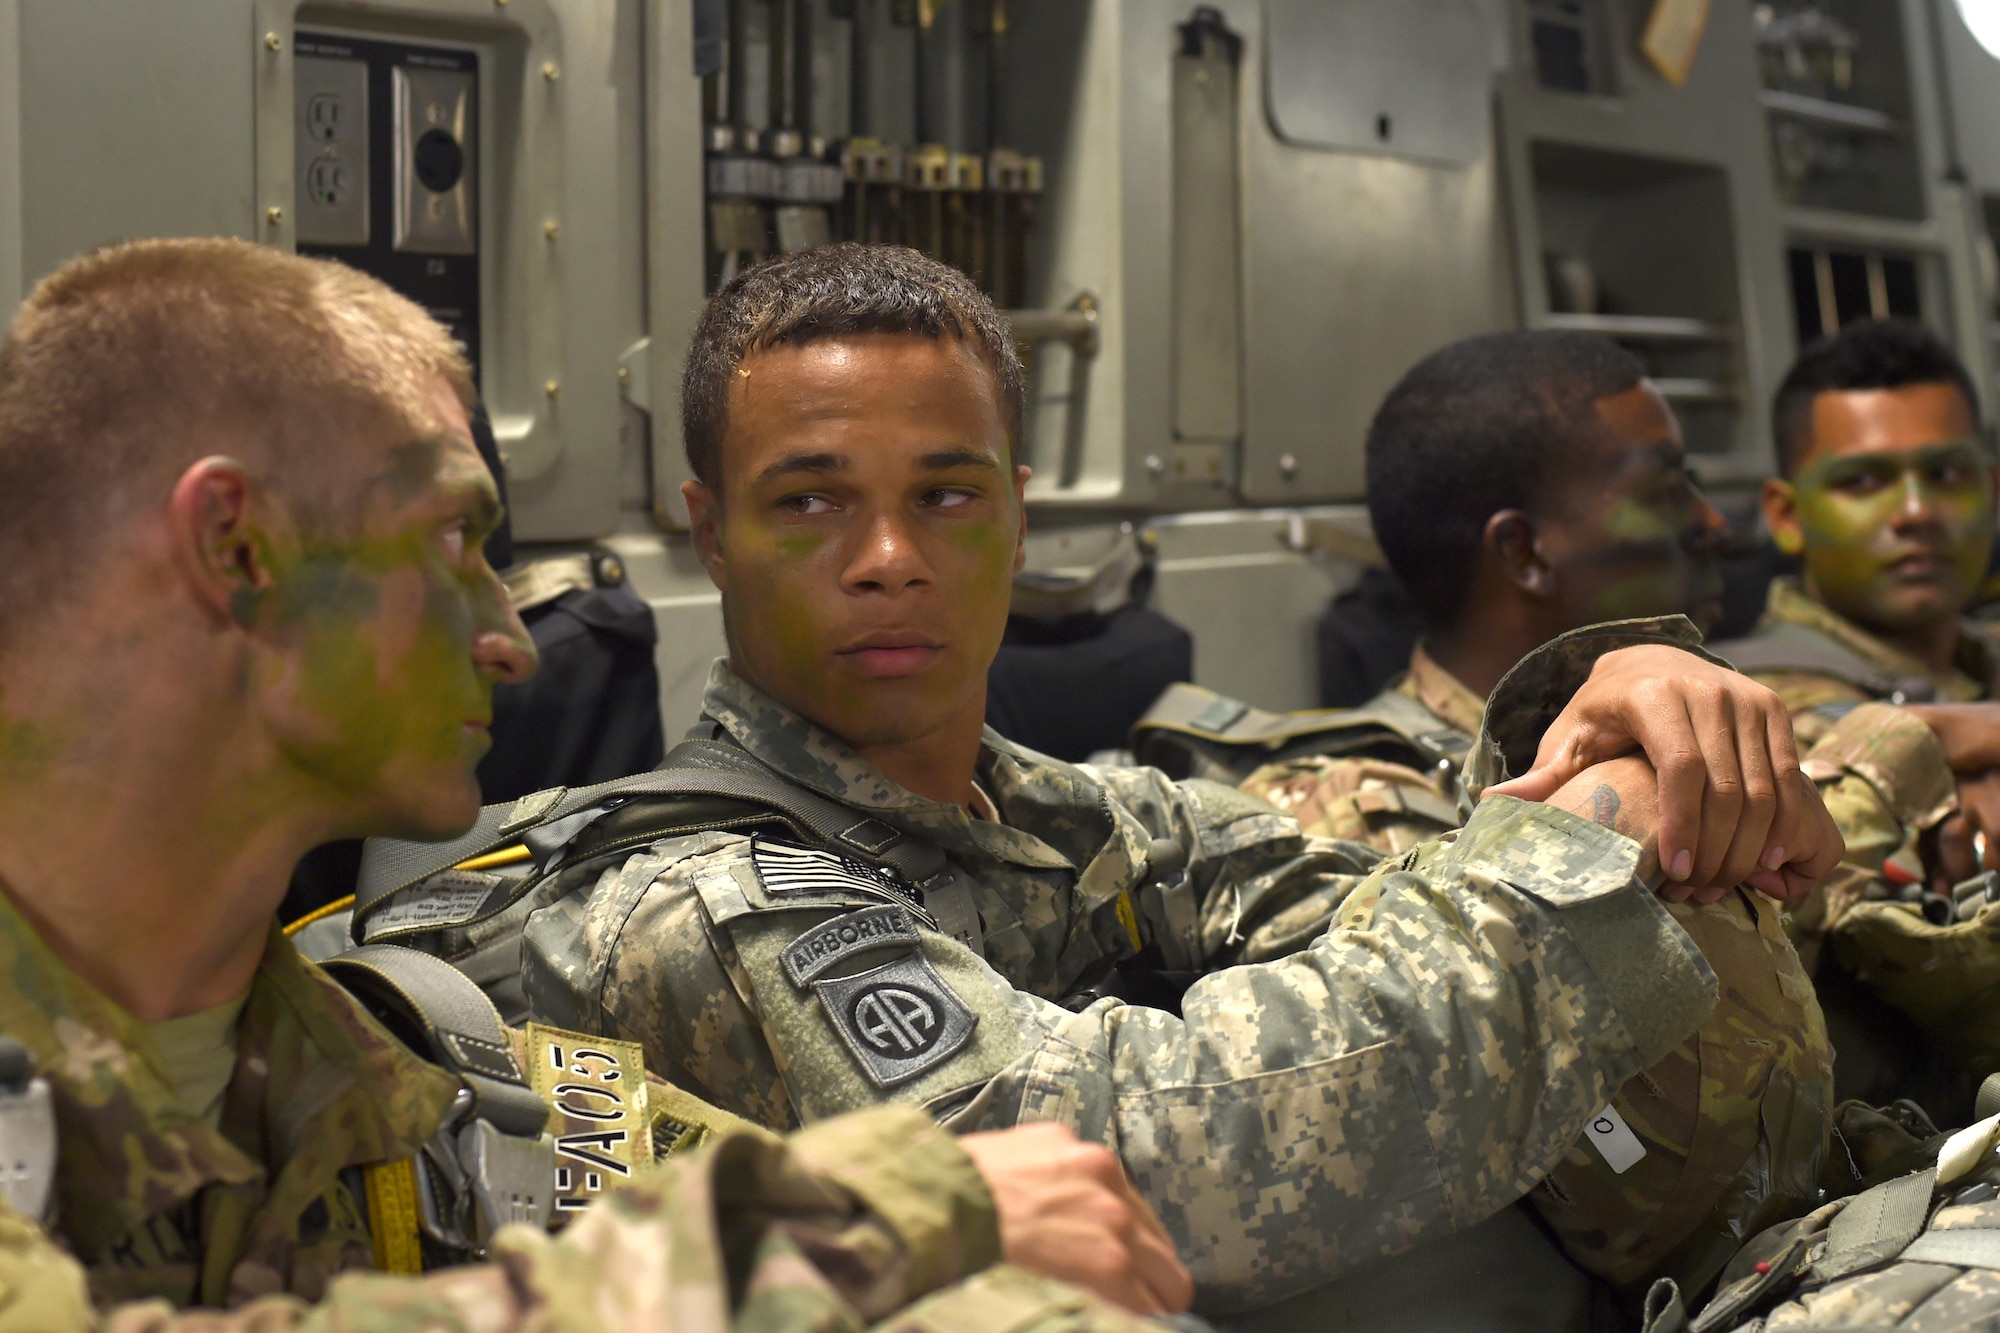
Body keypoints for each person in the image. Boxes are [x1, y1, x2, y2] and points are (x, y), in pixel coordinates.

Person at [455, 244, 1849, 1316]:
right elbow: (1165, 1158)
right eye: (810, 500)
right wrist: (1609, 822)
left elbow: (1392, 900)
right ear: (711, 532)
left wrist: (1606, 708)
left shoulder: (1076, 812)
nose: (889, 556)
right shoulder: (701, 906)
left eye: (946, 493)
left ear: (1016, 511)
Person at [0, 237, 1193, 1329]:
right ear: (238, 550)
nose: (510, 640)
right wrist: (875, 1217)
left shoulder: (378, 1068)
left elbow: (775, 1231)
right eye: (453, 543)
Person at [1222, 330, 1952, 1306]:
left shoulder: (1724, 706)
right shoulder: (1352, 809)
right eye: (1662, 490)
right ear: (1523, 551)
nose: (1710, 524)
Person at [1715, 319, 2000, 1114]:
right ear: (1785, 514)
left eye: (1947, 474)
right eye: (1864, 481)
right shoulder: (1741, 702)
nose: (1917, 511)